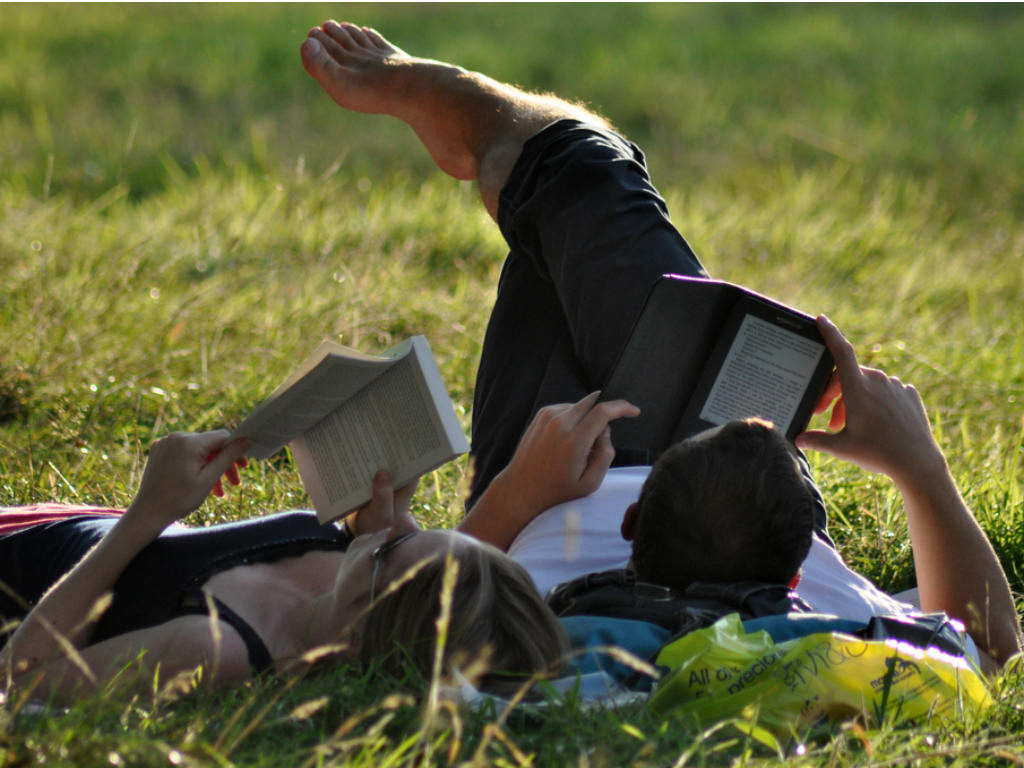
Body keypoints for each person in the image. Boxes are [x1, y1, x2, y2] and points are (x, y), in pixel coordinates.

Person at [300, 21, 1021, 674]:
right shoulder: (827, 631)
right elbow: (990, 650)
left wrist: (519, 495)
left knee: (578, 179)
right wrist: (919, 468)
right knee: (564, 219)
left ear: (634, 522)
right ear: (800, 567)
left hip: (541, 472)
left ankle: (481, 123)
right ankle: (499, 150)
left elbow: (419, 623)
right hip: (661, 492)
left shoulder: (574, 631)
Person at [0, 431, 567, 702]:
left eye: (394, 546)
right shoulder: (345, 567)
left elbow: (19, 685)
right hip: (44, 520)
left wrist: (150, 512)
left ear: (368, 615)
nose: (398, 524)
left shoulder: (214, 650)